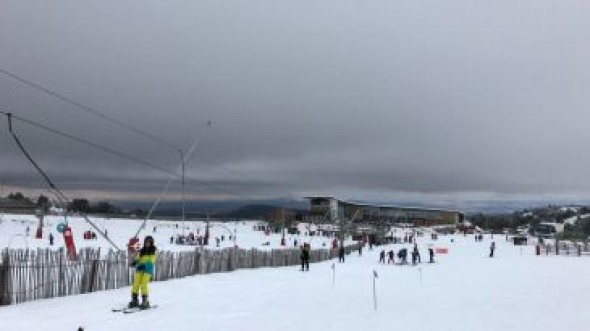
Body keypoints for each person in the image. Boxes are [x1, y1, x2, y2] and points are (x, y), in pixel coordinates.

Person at [129, 236, 157, 309]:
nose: (147, 243)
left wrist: (144, 266)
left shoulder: (153, 250)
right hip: (139, 268)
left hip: (147, 269)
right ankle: (134, 300)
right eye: (146, 242)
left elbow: (151, 261)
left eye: (149, 242)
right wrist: (134, 262)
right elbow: (139, 259)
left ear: (151, 243)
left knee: (143, 284)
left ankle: (145, 301)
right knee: (136, 283)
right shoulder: (142, 250)